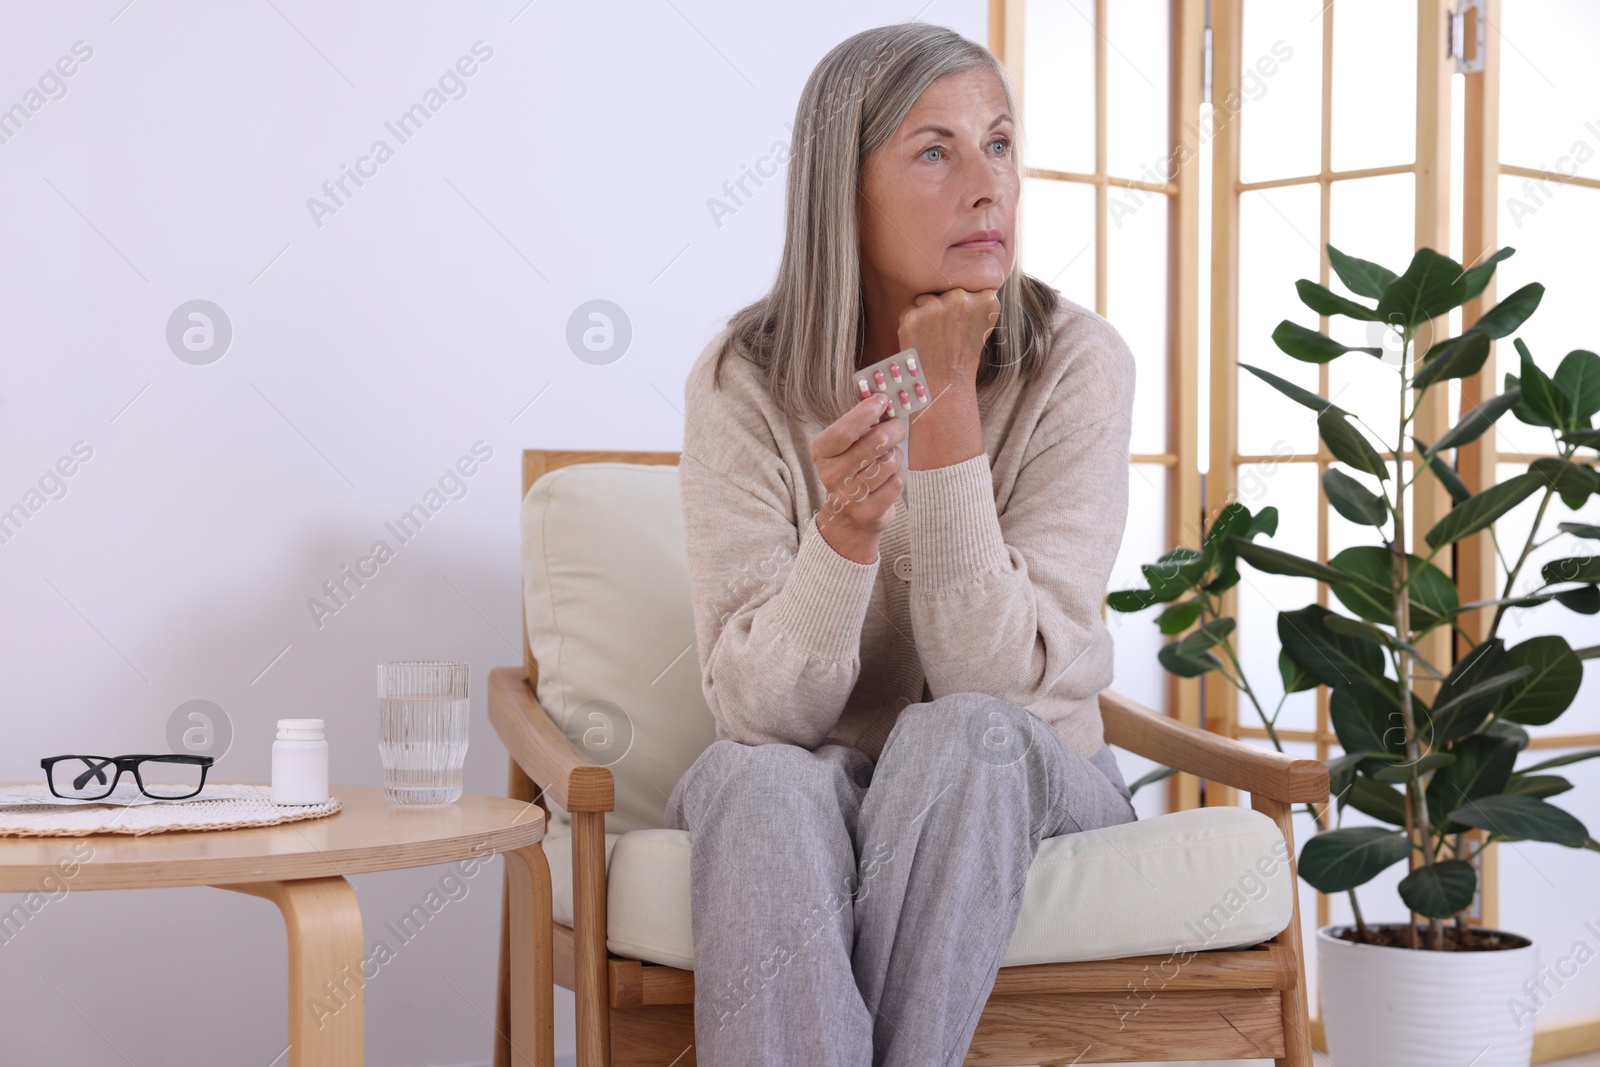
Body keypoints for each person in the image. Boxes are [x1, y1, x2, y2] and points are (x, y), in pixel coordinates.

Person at [666, 20, 1141, 1067]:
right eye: (936, 150)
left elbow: (993, 682)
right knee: (752, 780)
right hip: (832, 768)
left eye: (1001, 143)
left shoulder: (1078, 364)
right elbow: (757, 713)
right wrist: (840, 537)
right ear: (844, 191)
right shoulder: (742, 381)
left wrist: (947, 422)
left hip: (1033, 772)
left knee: (960, 735)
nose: (988, 185)